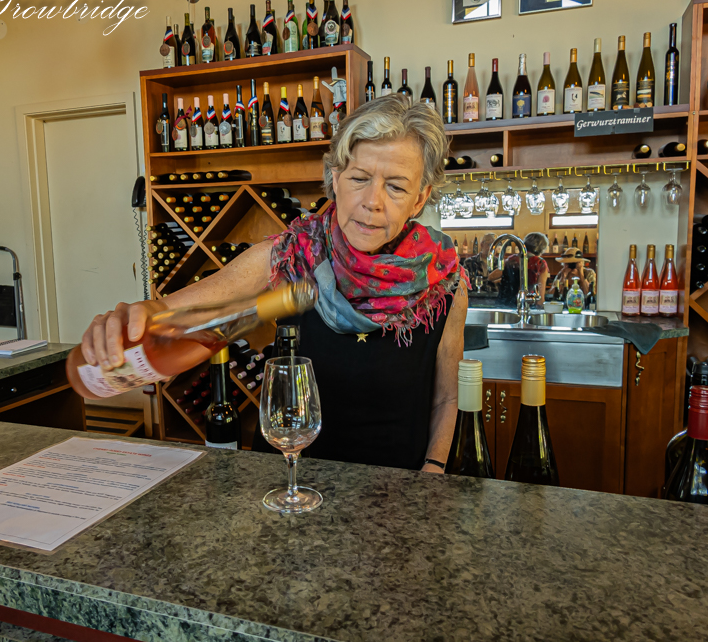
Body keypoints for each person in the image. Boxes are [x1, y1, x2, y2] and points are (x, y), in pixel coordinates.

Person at [81, 95, 468, 473]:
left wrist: (433, 470)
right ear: (336, 179)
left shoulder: (445, 281)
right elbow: (185, 308)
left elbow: (446, 399)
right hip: (288, 482)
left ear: (419, 199)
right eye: (359, 178)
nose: (373, 201)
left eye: (396, 186)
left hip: (395, 492)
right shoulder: (291, 254)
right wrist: (138, 318)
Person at [490, 232, 550, 307]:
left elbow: (491, 277)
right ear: (542, 248)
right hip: (525, 305)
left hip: (504, 304)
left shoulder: (512, 259)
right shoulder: (540, 263)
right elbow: (540, 300)